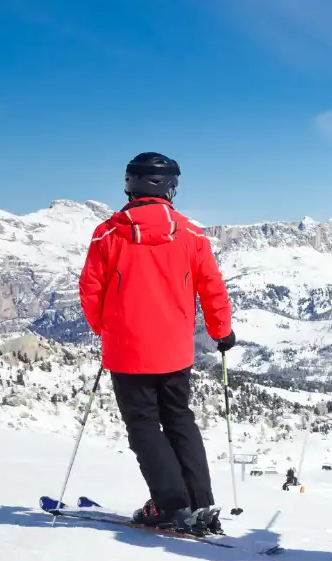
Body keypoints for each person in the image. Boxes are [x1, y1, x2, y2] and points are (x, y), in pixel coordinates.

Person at [79, 152, 235, 532]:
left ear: (131, 184)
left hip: (126, 350)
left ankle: (170, 505)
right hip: (175, 350)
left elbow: (90, 290)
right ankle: (200, 503)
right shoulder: (192, 234)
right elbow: (211, 288)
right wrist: (222, 332)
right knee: (180, 419)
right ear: (169, 188)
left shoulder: (108, 233)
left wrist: (107, 329)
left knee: (145, 426)